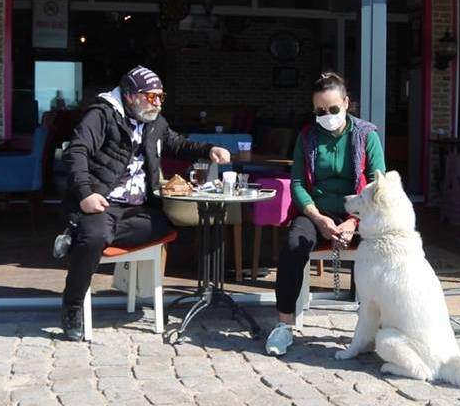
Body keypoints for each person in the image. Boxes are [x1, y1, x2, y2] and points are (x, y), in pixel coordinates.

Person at [60, 65, 231, 341]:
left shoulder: (154, 122)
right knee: (95, 237)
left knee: (167, 226)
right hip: (102, 202)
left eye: (161, 97)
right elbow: (76, 152)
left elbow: (177, 144)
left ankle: (79, 234)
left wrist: (208, 149)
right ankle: (72, 305)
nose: (158, 103)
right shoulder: (101, 115)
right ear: (130, 96)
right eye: (152, 97)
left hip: (137, 209)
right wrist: (85, 194)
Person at [264, 72, 386, 356]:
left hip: (359, 211)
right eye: (320, 111)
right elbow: (296, 182)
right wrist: (317, 217)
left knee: (384, 250)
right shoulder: (307, 137)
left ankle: (380, 323)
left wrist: (353, 222)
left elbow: (377, 184)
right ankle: (284, 325)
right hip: (315, 210)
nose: (327, 115)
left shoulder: (366, 135)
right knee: (294, 245)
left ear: (346, 103)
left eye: (333, 109)